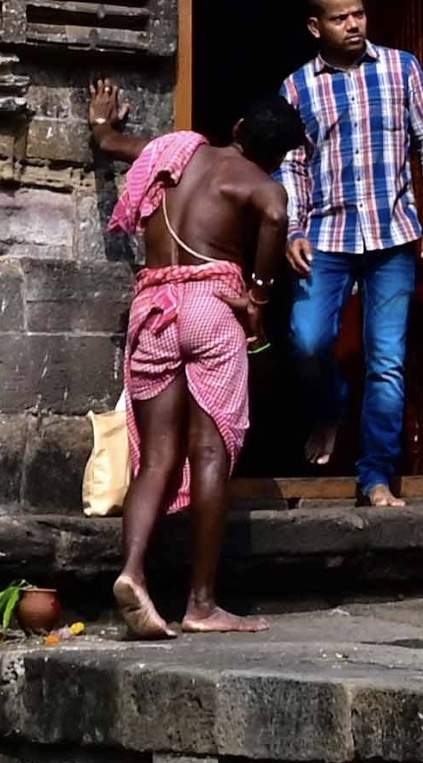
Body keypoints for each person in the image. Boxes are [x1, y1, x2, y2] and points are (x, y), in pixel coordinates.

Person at [86, 82, 292, 640]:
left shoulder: (173, 151)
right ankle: (201, 603)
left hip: (152, 307)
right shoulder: (262, 184)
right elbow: (274, 216)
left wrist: (103, 124)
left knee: (155, 457)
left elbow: (112, 143)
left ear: (239, 130)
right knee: (209, 452)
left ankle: (132, 572)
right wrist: (260, 295)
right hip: (210, 309)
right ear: (278, 154)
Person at [277, 0, 423, 504]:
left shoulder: (401, 69)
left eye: (359, 13)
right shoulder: (297, 87)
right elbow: (292, 163)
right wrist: (293, 229)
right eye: (340, 18)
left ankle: (375, 475)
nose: (354, 24)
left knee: (388, 360)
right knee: (307, 341)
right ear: (316, 27)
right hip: (326, 236)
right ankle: (330, 409)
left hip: (393, 235)